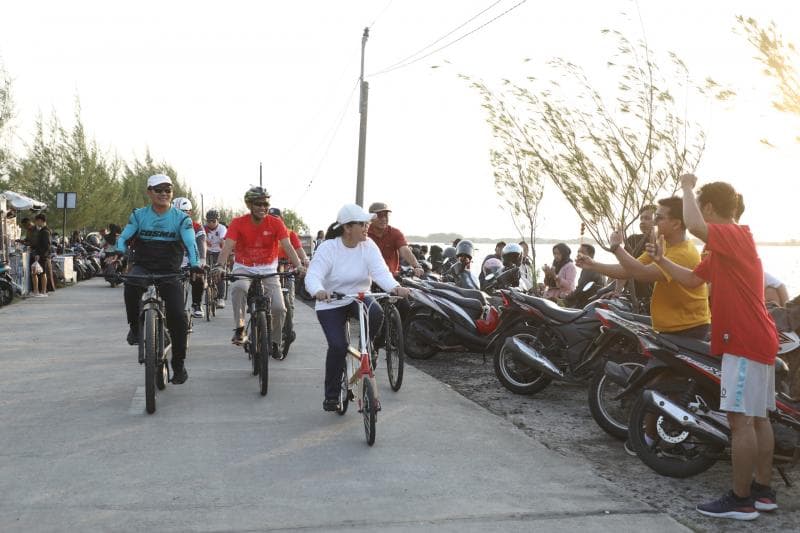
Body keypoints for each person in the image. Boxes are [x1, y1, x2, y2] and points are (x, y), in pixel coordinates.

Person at [645, 175, 778, 521]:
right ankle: (763, 492)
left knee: (740, 421)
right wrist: (660, 259)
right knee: (758, 418)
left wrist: (687, 186)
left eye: (698, 204)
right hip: (757, 337)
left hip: (745, 340)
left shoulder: (733, 234)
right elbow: (692, 279)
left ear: (707, 207)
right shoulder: (727, 247)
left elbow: (693, 224)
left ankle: (741, 499)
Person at [304, 203, 410, 411]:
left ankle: (366, 347)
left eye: (366, 223)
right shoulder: (329, 248)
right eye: (362, 224)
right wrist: (318, 290)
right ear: (347, 228)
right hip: (331, 302)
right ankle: (332, 395)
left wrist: (395, 287)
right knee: (338, 347)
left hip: (359, 297)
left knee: (377, 312)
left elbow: (381, 272)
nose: (366, 227)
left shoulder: (368, 245)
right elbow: (313, 275)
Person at [577, 197, 710, 337]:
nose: (654, 222)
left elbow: (642, 274)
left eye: (658, 218)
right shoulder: (663, 244)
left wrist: (616, 248)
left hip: (688, 328)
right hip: (671, 325)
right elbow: (628, 270)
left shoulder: (683, 253)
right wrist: (593, 264)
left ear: (676, 224)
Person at [116, 174, 201, 384]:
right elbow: (124, 237)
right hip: (143, 265)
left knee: (178, 317)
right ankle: (135, 328)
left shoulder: (182, 218)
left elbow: (191, 244)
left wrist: (196, 264)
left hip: (169, 270)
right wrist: (118, 251)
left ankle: (179, 365)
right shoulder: (138, 215)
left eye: (168, 190)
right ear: (149, 192)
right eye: (159, 189)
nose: (164, 193)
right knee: (131, 283)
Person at [212, 187, 305, 351]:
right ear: (249, 205)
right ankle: (240, 328)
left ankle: (276, 342)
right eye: (258, 204)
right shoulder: (238, 223)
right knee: (239, 288)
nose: (263, 207)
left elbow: (288, 246)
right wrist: (220, 266)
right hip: (244, 267)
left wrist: (298, 265)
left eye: (265, 203)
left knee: (279, 308)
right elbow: (227, 247)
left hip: (269, 268)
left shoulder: (276, 223)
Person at [366, 202, 424, 277]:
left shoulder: (395, 233)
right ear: (371, 217)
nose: (384, 219)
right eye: (379, 215)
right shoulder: (364, 233)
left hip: (390, 277)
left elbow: (405, 250)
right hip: (368, 279)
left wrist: (417, 266)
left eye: (386, 215)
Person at [617, 204, 657, 309]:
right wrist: (617, 291)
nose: (642, 221)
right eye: (641, 218)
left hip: (654, 298)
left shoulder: (663, 243)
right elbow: (623, 266)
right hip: (632, 296)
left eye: (647, 218)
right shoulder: (632, 240)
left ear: (657, 221)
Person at [173, 197, 207, 319]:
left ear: (190, 213)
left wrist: (201, 260)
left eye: (184, 212)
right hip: (173, 260)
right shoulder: (167, 225)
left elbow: (201, 243)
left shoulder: (197, 227)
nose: (180, 216)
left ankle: (196, 304)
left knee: (198, 277)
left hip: (191, 259)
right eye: (176, 212)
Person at [204, 209, 228, 308]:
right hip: (207, 251)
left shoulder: (222, 228)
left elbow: (223, 241)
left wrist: (224, 254)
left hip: (219, 252)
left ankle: (221, 298)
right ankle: (206, 283)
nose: (211, 223)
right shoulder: (204, 228)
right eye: (209, 221)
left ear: (217, 220)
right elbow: (201, 240)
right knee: (204, 269)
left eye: (213, 221)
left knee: (219, 273)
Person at [33, 214, 55, 293]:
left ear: (40, 221)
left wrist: (40, 254)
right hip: (43, 255)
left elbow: (47, 245)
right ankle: (41, 290)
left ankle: (43, 290)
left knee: (42, 273)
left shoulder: (45, 231)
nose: (36, 223)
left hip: (43, 256)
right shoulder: (43, 230)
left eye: (37, 221)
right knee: (40, 273)